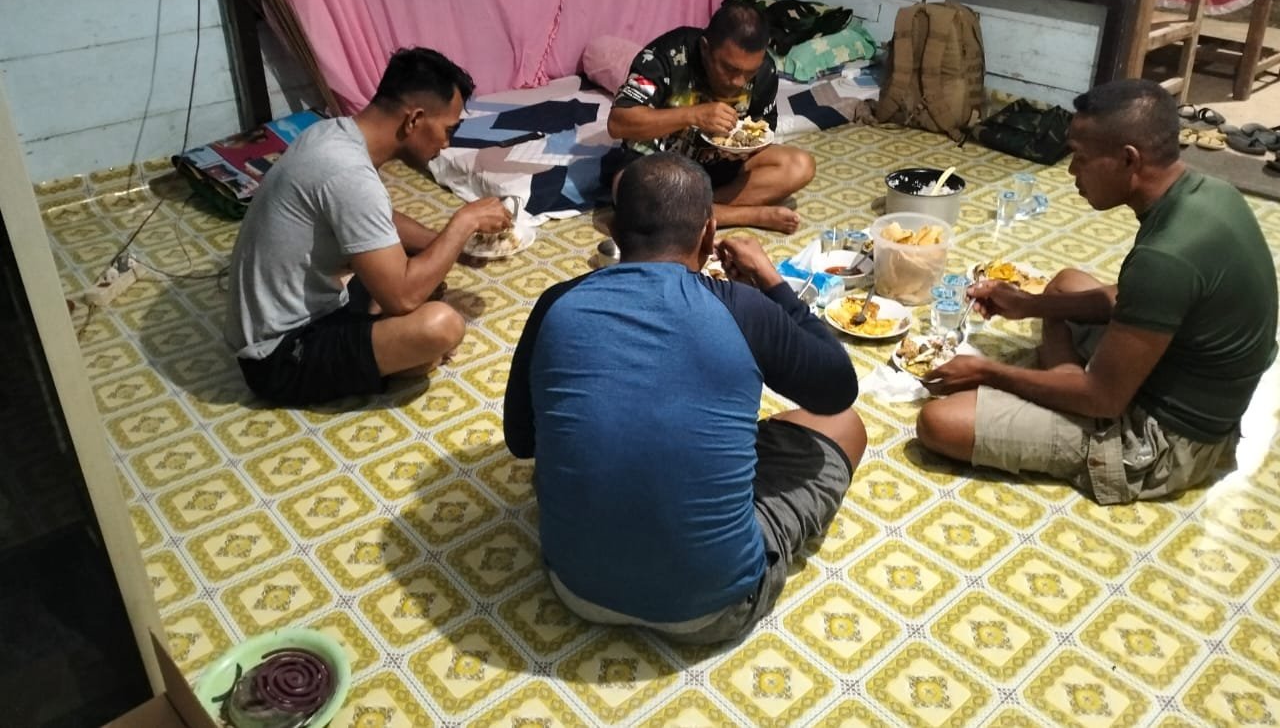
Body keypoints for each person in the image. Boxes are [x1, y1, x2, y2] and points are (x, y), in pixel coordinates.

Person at [504, 152, 865, 643]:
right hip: (714, 608)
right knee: (845, 426)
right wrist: (774, 285)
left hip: (574, 587)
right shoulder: (742, 307)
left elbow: (522, 440)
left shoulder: (556, 302)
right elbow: (838, 390)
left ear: (612, 229)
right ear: (708, 235)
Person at [918, 79, 1277, 504]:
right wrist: (1030, 304)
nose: (1072, 171)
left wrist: (987, 372)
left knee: (939, 422)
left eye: (1081, 157)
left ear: (1128, 159)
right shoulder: (1209, 192)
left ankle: (1068, 385)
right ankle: (1066, 381)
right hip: (1172, 370)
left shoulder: (1165, 258)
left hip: (1167, 439)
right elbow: (1129, 297)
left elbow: (1105, 400)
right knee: (1065, 285)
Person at [224, 47, 511, 407]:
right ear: (414, 120)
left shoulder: (332, 133)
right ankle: (397, 357)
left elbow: (378, 220)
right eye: (447, 129)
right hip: (279, 355)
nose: (446, 143)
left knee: (428, 273)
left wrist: (451, 247)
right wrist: (463, 223)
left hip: (301, 311)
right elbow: (401, 298)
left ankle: (387, 348)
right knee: (441, 326)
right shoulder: (348, 172)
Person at [602, 1, 815, 234]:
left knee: (800, 166)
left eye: (749, 73)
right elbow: (618, 122)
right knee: (631, 194)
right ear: (705, 48)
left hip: (720, 168)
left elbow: (763, 128)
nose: (739, 81)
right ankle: (748, 215)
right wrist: (692, 115)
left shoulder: (764, 70)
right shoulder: (666, 55)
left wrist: (743, 149)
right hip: (658, 168)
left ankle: (684, 213)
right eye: (730, 69)